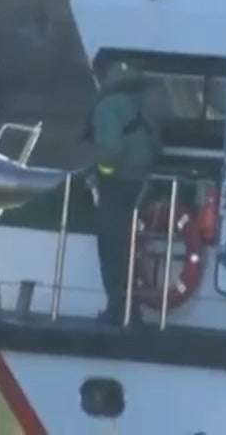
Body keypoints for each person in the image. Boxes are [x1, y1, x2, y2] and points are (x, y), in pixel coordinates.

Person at [87, 57, 162, 327]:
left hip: (117, 186)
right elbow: (156, 141)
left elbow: (111, 150)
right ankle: (132, 311)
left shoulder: (107, 107)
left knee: (112, 248)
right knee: (129, 249)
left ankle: (118, 310)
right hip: (142, 183)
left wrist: (101, 174)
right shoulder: (140, 102)